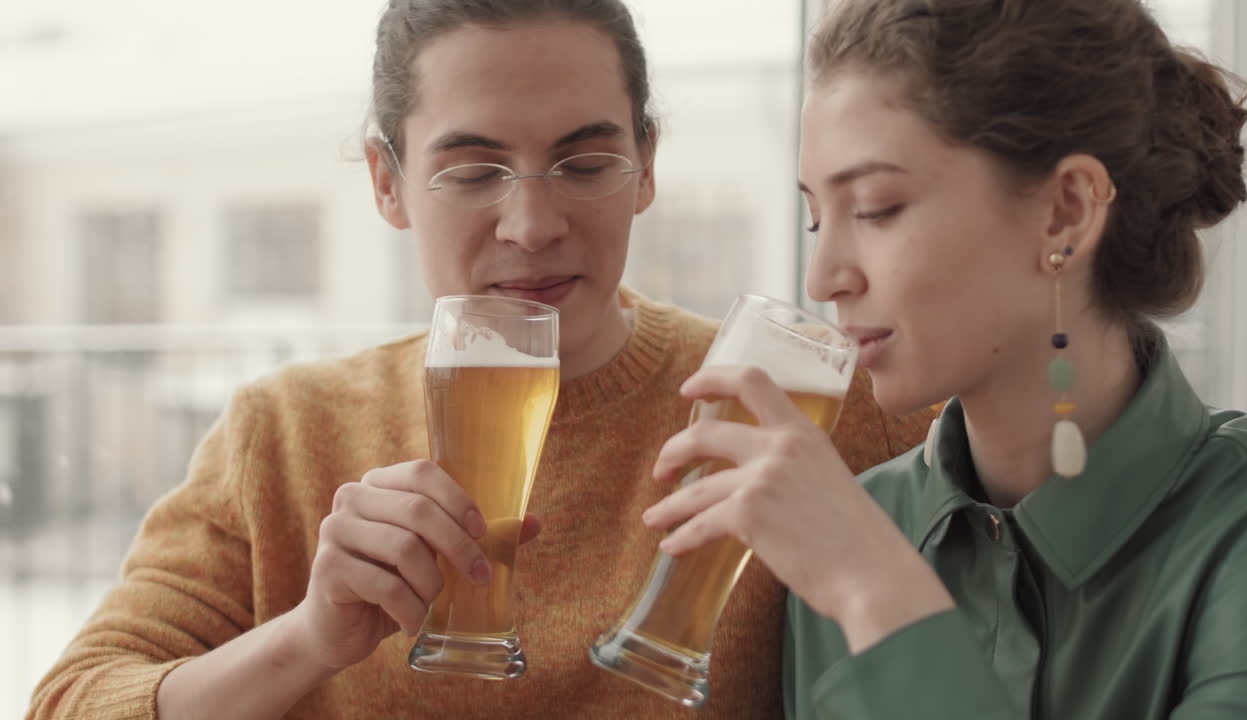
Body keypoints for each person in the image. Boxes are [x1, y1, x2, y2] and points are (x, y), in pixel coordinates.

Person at [24, 1, 930, 719]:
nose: (533, 228)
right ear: (388, 183)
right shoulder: (285, 433)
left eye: (584, 164)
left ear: (646, 164)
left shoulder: (803, 413)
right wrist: (305, 639)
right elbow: (70, 703)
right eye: (472, 171)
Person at [641, 0, 1247, 718]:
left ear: (1065, 212)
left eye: (877, 207)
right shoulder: (851, 522)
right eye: (818, 218)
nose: (822, 278)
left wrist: (879, 594)